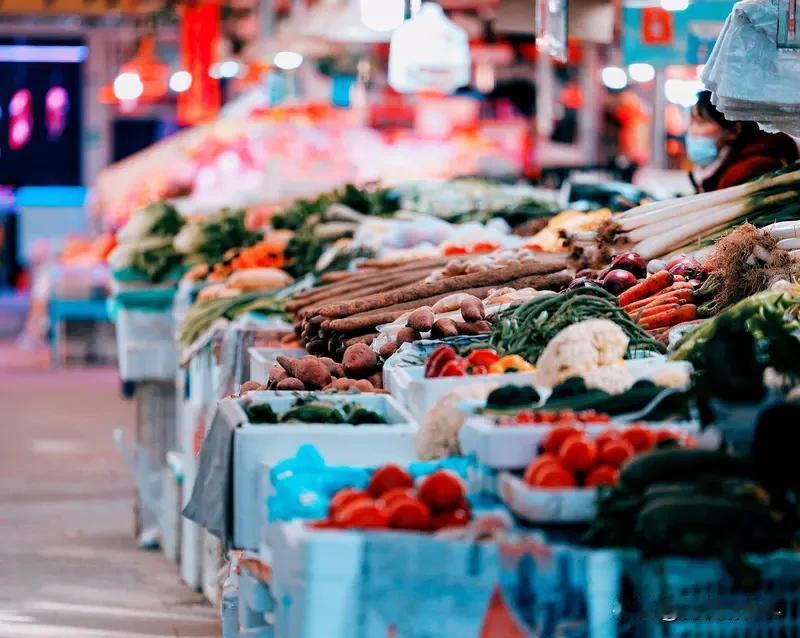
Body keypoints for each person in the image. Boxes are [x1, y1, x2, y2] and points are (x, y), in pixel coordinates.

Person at [687, 91, 799, 192]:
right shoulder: (714, 168)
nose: (692, 130)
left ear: (734, 130)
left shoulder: (749, 171)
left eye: (701, 122)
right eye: (692, 122)